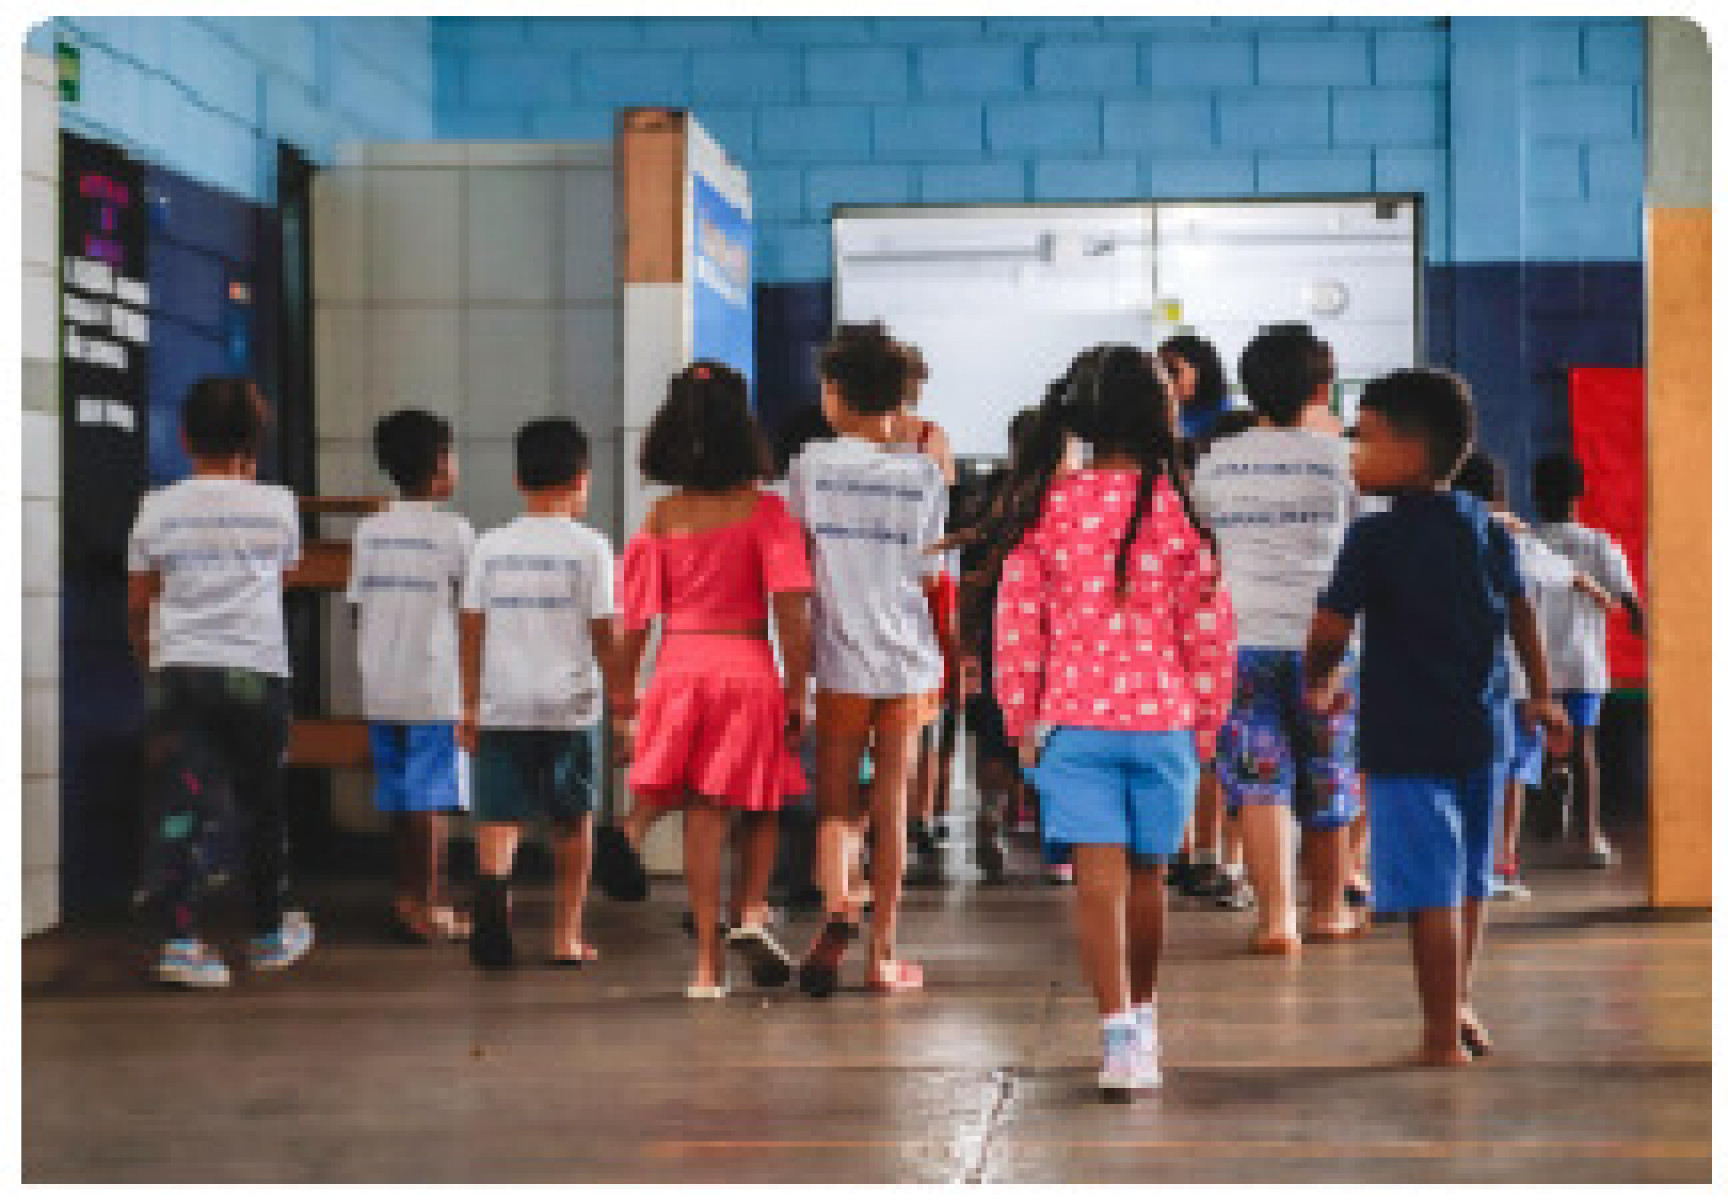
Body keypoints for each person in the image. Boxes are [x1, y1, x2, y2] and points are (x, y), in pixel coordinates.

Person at [1304, 369, 1569, 1067]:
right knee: (1470, 882)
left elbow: (1330, 628)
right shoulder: (1487, 528)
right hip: (1482, 734)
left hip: (1403, 742)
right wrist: (1541, 695)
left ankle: (1438, 1035)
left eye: (1364, 440)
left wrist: (1318, 677)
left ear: (1412, 451)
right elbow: (1521, 614)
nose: (1354, 456)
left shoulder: (1374, 540)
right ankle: (1458, 1004)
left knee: (1431, 893)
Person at [991, 345, 1236, 1098]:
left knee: (1096, 885)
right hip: (1163, 722)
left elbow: (1018, 620)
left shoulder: (1050, 507)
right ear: (1162, 413)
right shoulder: (1179, 507)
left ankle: (1118, 1036)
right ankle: (1147, 1011)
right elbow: (1207, 628)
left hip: (1073, 723)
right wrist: (1206, 721)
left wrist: (1020, 715)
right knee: (1149, 878)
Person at [613, 363, 814, 999]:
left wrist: (624, 697)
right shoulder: (767, 514)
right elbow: (790, 608)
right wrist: (798, 687)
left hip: (678, 670)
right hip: (748, 666)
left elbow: (635, 623)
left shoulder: (659, 519)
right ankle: (749, 916)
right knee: (758, 802)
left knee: (703, 810)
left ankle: (705, 965)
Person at [126, 377, 311, 988]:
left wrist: (146, 655)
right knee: (263, 805)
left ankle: (180, 944)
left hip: (180, 670)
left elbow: (138, 599)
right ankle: (266, 934)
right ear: (255, 441)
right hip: (256, 671)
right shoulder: (278, 504)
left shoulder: (157, 507)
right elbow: (284, 577)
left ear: (183, 438)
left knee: (181, 811)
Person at [788, 321, 951, 998]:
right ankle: (884, 956)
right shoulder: (924, 479)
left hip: (841, 663)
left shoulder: (809, 468)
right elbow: (932, 579)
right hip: (909, 664)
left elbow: (796, 570)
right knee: (890, 810)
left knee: (834, 806)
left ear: (834, 394)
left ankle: (837, 906)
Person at [1193, 324, 1365, 955]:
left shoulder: (1216, 462)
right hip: (1327, 641)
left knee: (1258, 775)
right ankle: (1327, 910)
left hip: (1241, 640)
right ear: (1322, 389)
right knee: (1329, 770)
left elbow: (1205, 539)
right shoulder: (1343, 461)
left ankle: (1276, 920)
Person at [458, 418, 620, 970]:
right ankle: (564, 936)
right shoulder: (592, 548)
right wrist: (623, 702)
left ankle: (493, 898)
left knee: (499, 814)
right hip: (569, 706)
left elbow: (472, 628)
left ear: (518, 480)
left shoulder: (489, 546)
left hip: (503, 701)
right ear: (581, 478)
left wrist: (468, 704)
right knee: (572, 819)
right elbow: (605, 632)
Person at [1450, 452, 1611, 901]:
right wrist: (1592, 586)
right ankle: (1501, 865)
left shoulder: (1437, 535)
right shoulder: (1511, 538)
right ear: (1498, 495)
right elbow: (1559, 573)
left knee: (1460, 770)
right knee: (1513, 772)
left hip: (1455, 678)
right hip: (1514, 681)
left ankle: (1464, 863)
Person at [347, 409, 474, 943]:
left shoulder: (370, 530)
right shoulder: (455, 532)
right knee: (428, 802)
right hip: (433, 687)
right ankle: (429, 905)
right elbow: (473, 616)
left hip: (381, 684)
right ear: (442, 463)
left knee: (402, 800)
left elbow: (356, 606)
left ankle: (405, 896)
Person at [1529, 452, 1646, 868]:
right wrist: (1638, 622)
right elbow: (1629, 599)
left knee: (1538, 739)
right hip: (1582, 662)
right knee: (1584, 744)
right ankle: (1589, 836)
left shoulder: (1528, 542)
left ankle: (1551, 779)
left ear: (1535, 494)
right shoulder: (1598, 544)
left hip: (1536, 664)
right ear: (1580, 493)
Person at [889, 342, 962, 882]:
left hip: (869, 581)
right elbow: (943, 510)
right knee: (929, 701)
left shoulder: (842, 444)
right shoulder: (930, 439)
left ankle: (886, 812)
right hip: (927, 581)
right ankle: (922, 811)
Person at [1158, 334, 1230, 444]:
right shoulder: (1161, 415)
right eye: (1160, 371)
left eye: (1172, 371)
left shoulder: (1226, 420)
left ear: (1200, 371)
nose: (1164, 379)